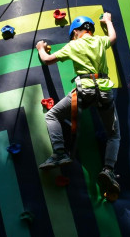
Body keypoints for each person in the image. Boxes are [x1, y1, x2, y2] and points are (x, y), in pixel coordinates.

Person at [36, 13, 122, 201]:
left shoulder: (74, 45)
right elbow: (113, 38)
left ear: (75, 31)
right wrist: (108, 21)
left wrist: (41, 48)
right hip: (105, 91)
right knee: (113, 134)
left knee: (52, 116)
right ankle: (108, 169)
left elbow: (48, 60)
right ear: (90, 30)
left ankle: (59, 152)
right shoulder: (100, 41)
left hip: (85, 90)